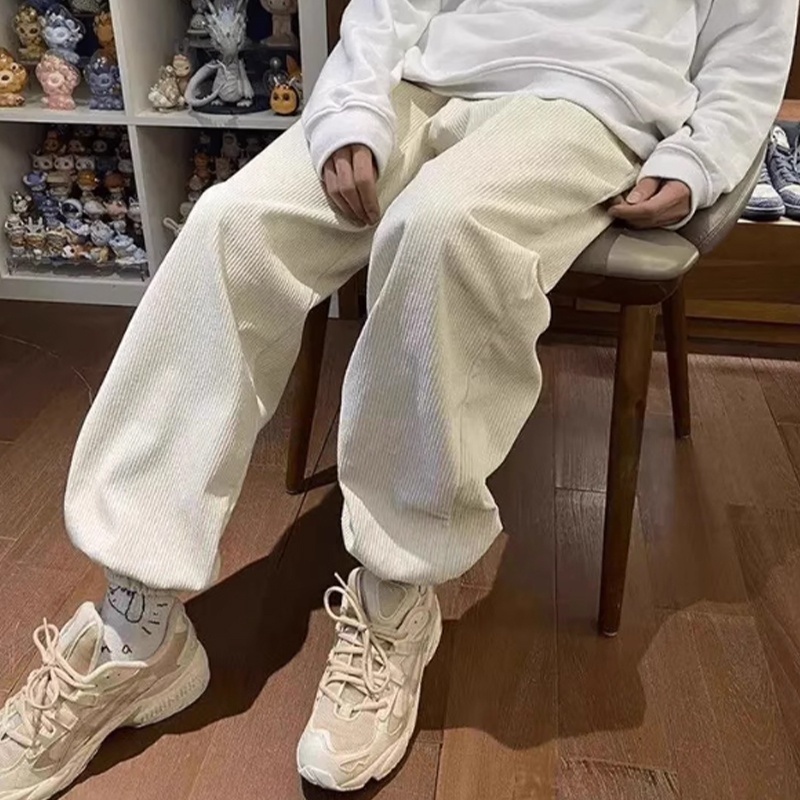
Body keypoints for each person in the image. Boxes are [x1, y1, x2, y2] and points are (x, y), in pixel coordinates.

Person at [1, 0, 796, 796]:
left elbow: (751, 42)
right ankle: (138, 625)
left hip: (595, 100)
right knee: (229, 224)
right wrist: (350, 107)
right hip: (424, 77)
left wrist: (701, 157)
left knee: (440, 230)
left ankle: (394, 597)